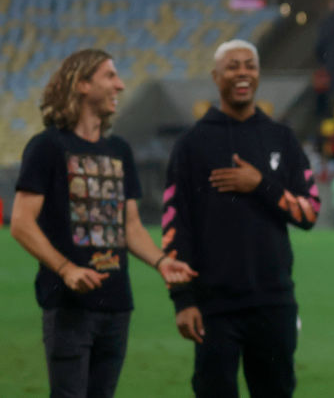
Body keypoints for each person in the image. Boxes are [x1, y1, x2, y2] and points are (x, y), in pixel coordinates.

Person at [10, 49, 196, 398]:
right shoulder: (47, 146)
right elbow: (21, 222)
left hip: (117, 305)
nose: (120, 85)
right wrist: (66, 269)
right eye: (110, 76)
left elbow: (131, 227)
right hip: (69, 306)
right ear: (82, 84)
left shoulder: (119, 150)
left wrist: (161, 262)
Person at [162, 39, 320, 397]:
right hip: (213, 304)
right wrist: (183, 299)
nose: (242, 73)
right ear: (216, 76)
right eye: (232, 66)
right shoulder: (191, 144)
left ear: (259, 74)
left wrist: (261, 184)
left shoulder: (282, 138)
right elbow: (175, 225)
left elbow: (310, 211)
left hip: (274, 301)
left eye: (250, 65)